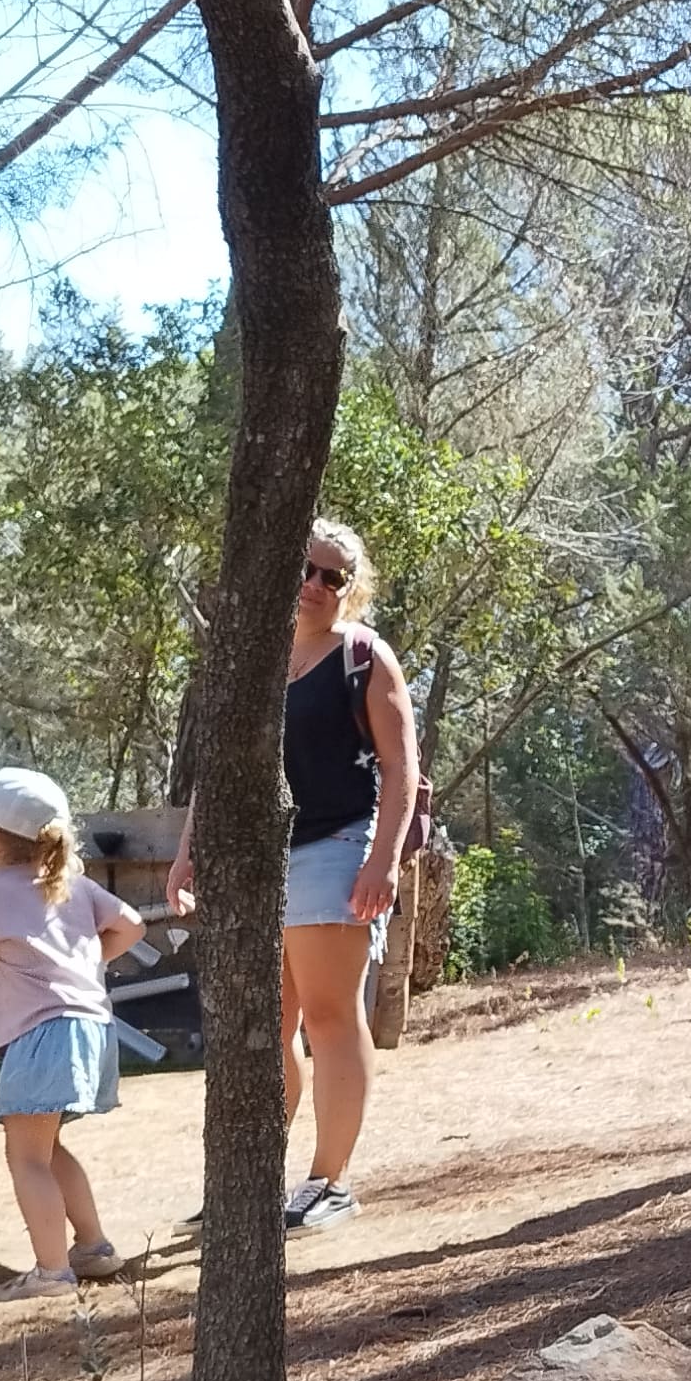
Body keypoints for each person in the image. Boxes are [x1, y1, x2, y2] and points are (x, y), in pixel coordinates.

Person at [166, 515, 418, 1231]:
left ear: (349, 588)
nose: (313, 585)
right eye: (303, 569)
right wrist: (190, 853)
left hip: (335, 847)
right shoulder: (250, 663)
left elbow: (402, 768)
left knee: (331, 1014)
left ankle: (326, 1182)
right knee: (265, 1025)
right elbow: (219, 776)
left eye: (330, 576)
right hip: (257, 863)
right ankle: (250, 1185)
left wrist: (383, 862)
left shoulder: (363, 657)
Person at [0, 766, 148, 1302]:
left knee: (26, 1157)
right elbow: (131, 925)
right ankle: (94, 1248)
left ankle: (52, 1272)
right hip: (90, 1025)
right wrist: (84, 963)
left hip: (41, 1034)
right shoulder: (72, 884)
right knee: (48, 1146)